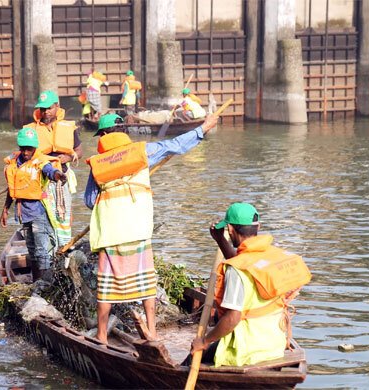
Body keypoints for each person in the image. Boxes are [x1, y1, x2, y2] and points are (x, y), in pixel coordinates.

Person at [84, 112, 218, 343]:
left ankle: (102, 335)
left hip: (111, 233)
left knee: (106, 288)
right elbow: (174, 146)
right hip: (138, 229)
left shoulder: (98, 165)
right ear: (124, 131)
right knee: (146, 284)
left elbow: (89, 200)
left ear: (104, 135)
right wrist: (203, 128)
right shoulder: (142, 152)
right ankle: (152, 332)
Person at [189, 203, 311, 367]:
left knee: (193, 357)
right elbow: (242, 260)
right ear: (258, 227)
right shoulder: (268, 256)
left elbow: (232, 319)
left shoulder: (236, 270)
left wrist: (204, 341)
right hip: (275, 344)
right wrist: (220, 240)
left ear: (230, 229)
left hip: (246, 350)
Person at [0, 128, 67, 282]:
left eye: (29, 149)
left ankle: (44, 286)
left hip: (38, 213)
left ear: (35, 148)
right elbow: (13, 189)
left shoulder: (40, 162)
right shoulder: (15, 162)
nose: (25, 152)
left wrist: (59, 175)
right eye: (23, 148)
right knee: (31, 250)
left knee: (41, 252)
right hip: (24, 213)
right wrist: (5, 210)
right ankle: (37, 283)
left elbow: (50, 171)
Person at [26, 90, 83, 247]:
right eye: (42, 109)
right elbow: (25, 154)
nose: (45, 112)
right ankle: (48, 248)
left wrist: (68, 157)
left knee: (63, 214)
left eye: (49, 108)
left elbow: (79, 151)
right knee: (44, 216)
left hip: (61, 179)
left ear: (57, 106)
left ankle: (64, 247)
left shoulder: (68, 127)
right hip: (41, 180)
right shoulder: (32, 130)